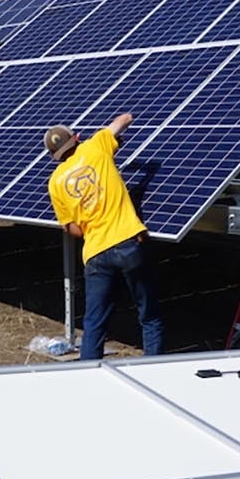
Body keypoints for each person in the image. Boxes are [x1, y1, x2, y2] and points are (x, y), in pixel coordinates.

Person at [45, 113, 163, 360]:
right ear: (76, 138)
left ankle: (89, 374)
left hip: (96, 253)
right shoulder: (96, 145)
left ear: (53, 155)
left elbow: (72, 228)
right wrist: (133, 115)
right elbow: (121, 122)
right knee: (149, 315)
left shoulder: (55, 182)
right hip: (128, 241)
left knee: (95, 322)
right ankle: (154, 366)